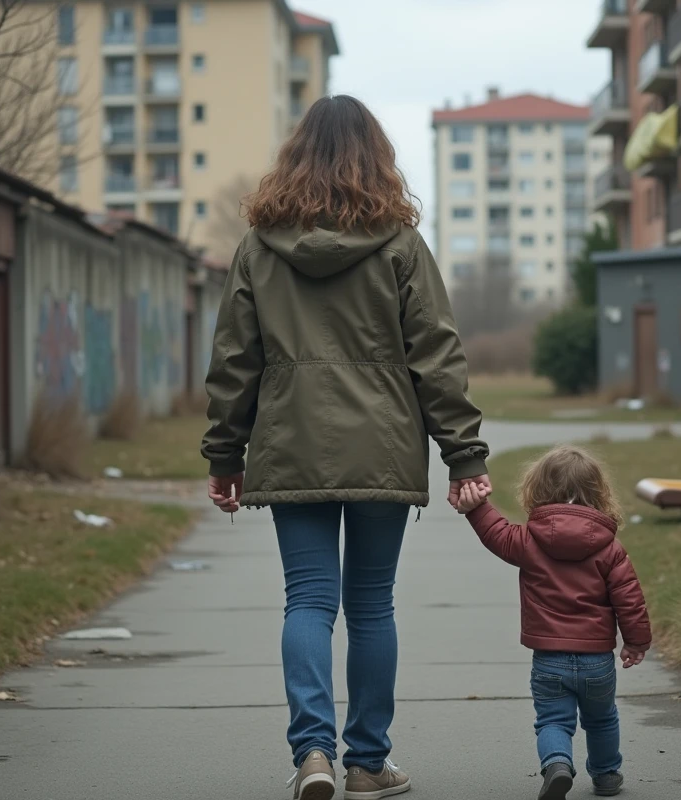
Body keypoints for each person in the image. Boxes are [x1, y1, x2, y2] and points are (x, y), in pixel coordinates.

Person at [201, 95, 490, 800]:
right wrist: (464, 456)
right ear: (376, 158)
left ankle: (312, 756)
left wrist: (224, 453)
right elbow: (437, 355)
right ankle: (366, 761)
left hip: (292, 441)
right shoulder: (400, 245)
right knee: (370, 606)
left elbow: (234, 357)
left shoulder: (258, 248)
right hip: (381, 448)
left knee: (306, 600)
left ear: (294, 157)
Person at [454, 445, 651, 799]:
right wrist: (636, 642)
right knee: (602, 719)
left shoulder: (530, 540)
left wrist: (476, 508)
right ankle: (606, 775)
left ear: (537, 490)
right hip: (597, 661)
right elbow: (629, 598)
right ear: (598, 492)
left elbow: (495, 533)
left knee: (552, 721)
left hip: (549, 659)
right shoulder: (610, 547)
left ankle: (558, 763)